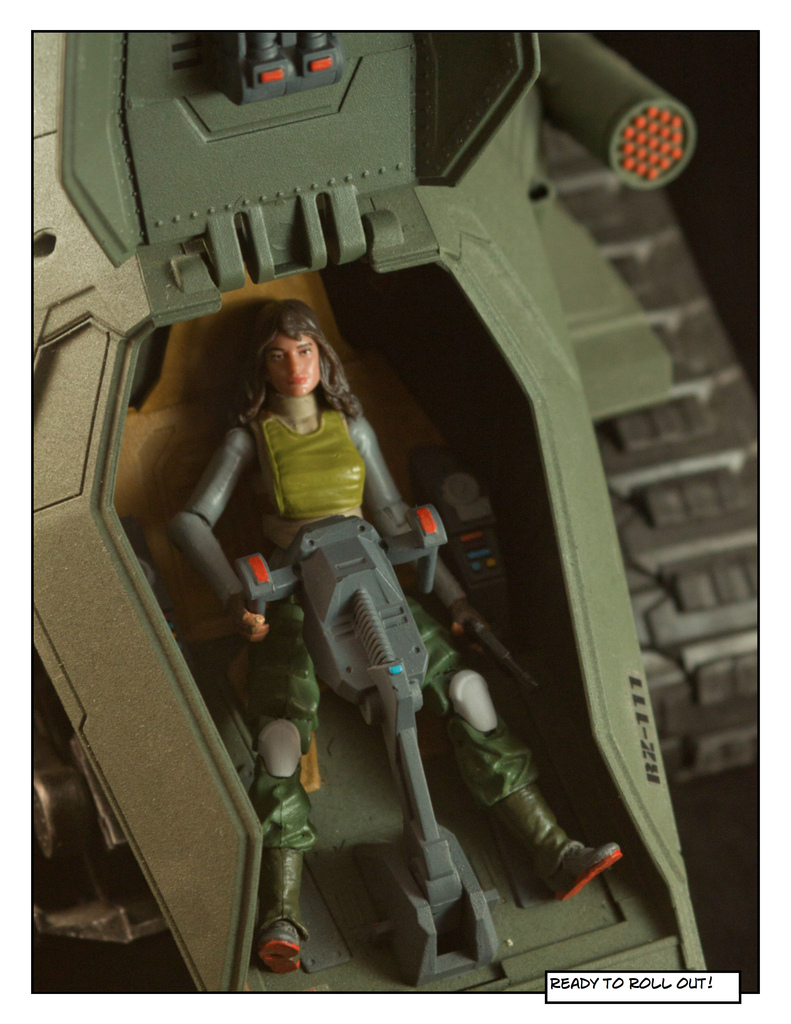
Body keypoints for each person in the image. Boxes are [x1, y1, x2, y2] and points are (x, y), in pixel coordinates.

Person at [169, 298, 621, 974]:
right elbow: (188, 522)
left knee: (468, 691)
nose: (294, 366)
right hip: (293, 594)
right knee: (280, 742)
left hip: (374, 581)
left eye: (305, 350)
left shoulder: (352, 428)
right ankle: (282, 914)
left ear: (322, 355)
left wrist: (456, 599)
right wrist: (238, 597)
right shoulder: (249, 439)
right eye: (278, 355)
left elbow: (392, 513)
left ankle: (553, 850)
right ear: (260, 365)